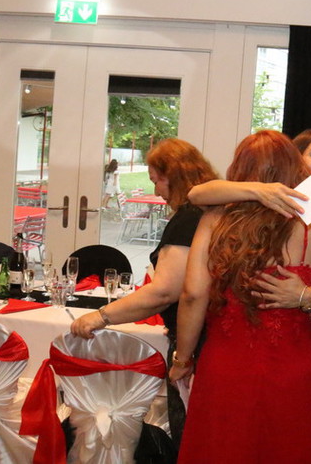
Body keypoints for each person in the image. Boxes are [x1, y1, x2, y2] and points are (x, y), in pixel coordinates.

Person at [170, 130, 311, 463]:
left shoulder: (215, 220)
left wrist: (183, 360)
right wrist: (262, 191)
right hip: (297, 369)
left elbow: (193, 295)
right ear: (294, 167)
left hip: (227, 366)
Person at [71, 138, 218, 449]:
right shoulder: (211, 212)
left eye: (157, 181)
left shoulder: (189, 218)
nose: (157, 191)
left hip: (199, 345)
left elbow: (164, 292)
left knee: (189, 440)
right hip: (213, 340)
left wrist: (101, 317)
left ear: (173, 176)